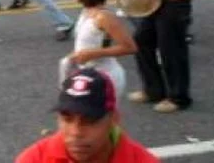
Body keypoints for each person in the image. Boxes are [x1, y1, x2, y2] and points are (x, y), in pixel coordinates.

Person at [15, 68, 160, 163]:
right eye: (67, 119)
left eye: (89, 121)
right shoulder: (33, 159)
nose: (76, 132)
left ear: (114, 119)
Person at [60, 0, 137, 97]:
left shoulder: (104, 17)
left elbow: (130, 47)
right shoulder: (86, 12)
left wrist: (94, 53)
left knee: (100, 116)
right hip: (88, 75)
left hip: (106, 77)